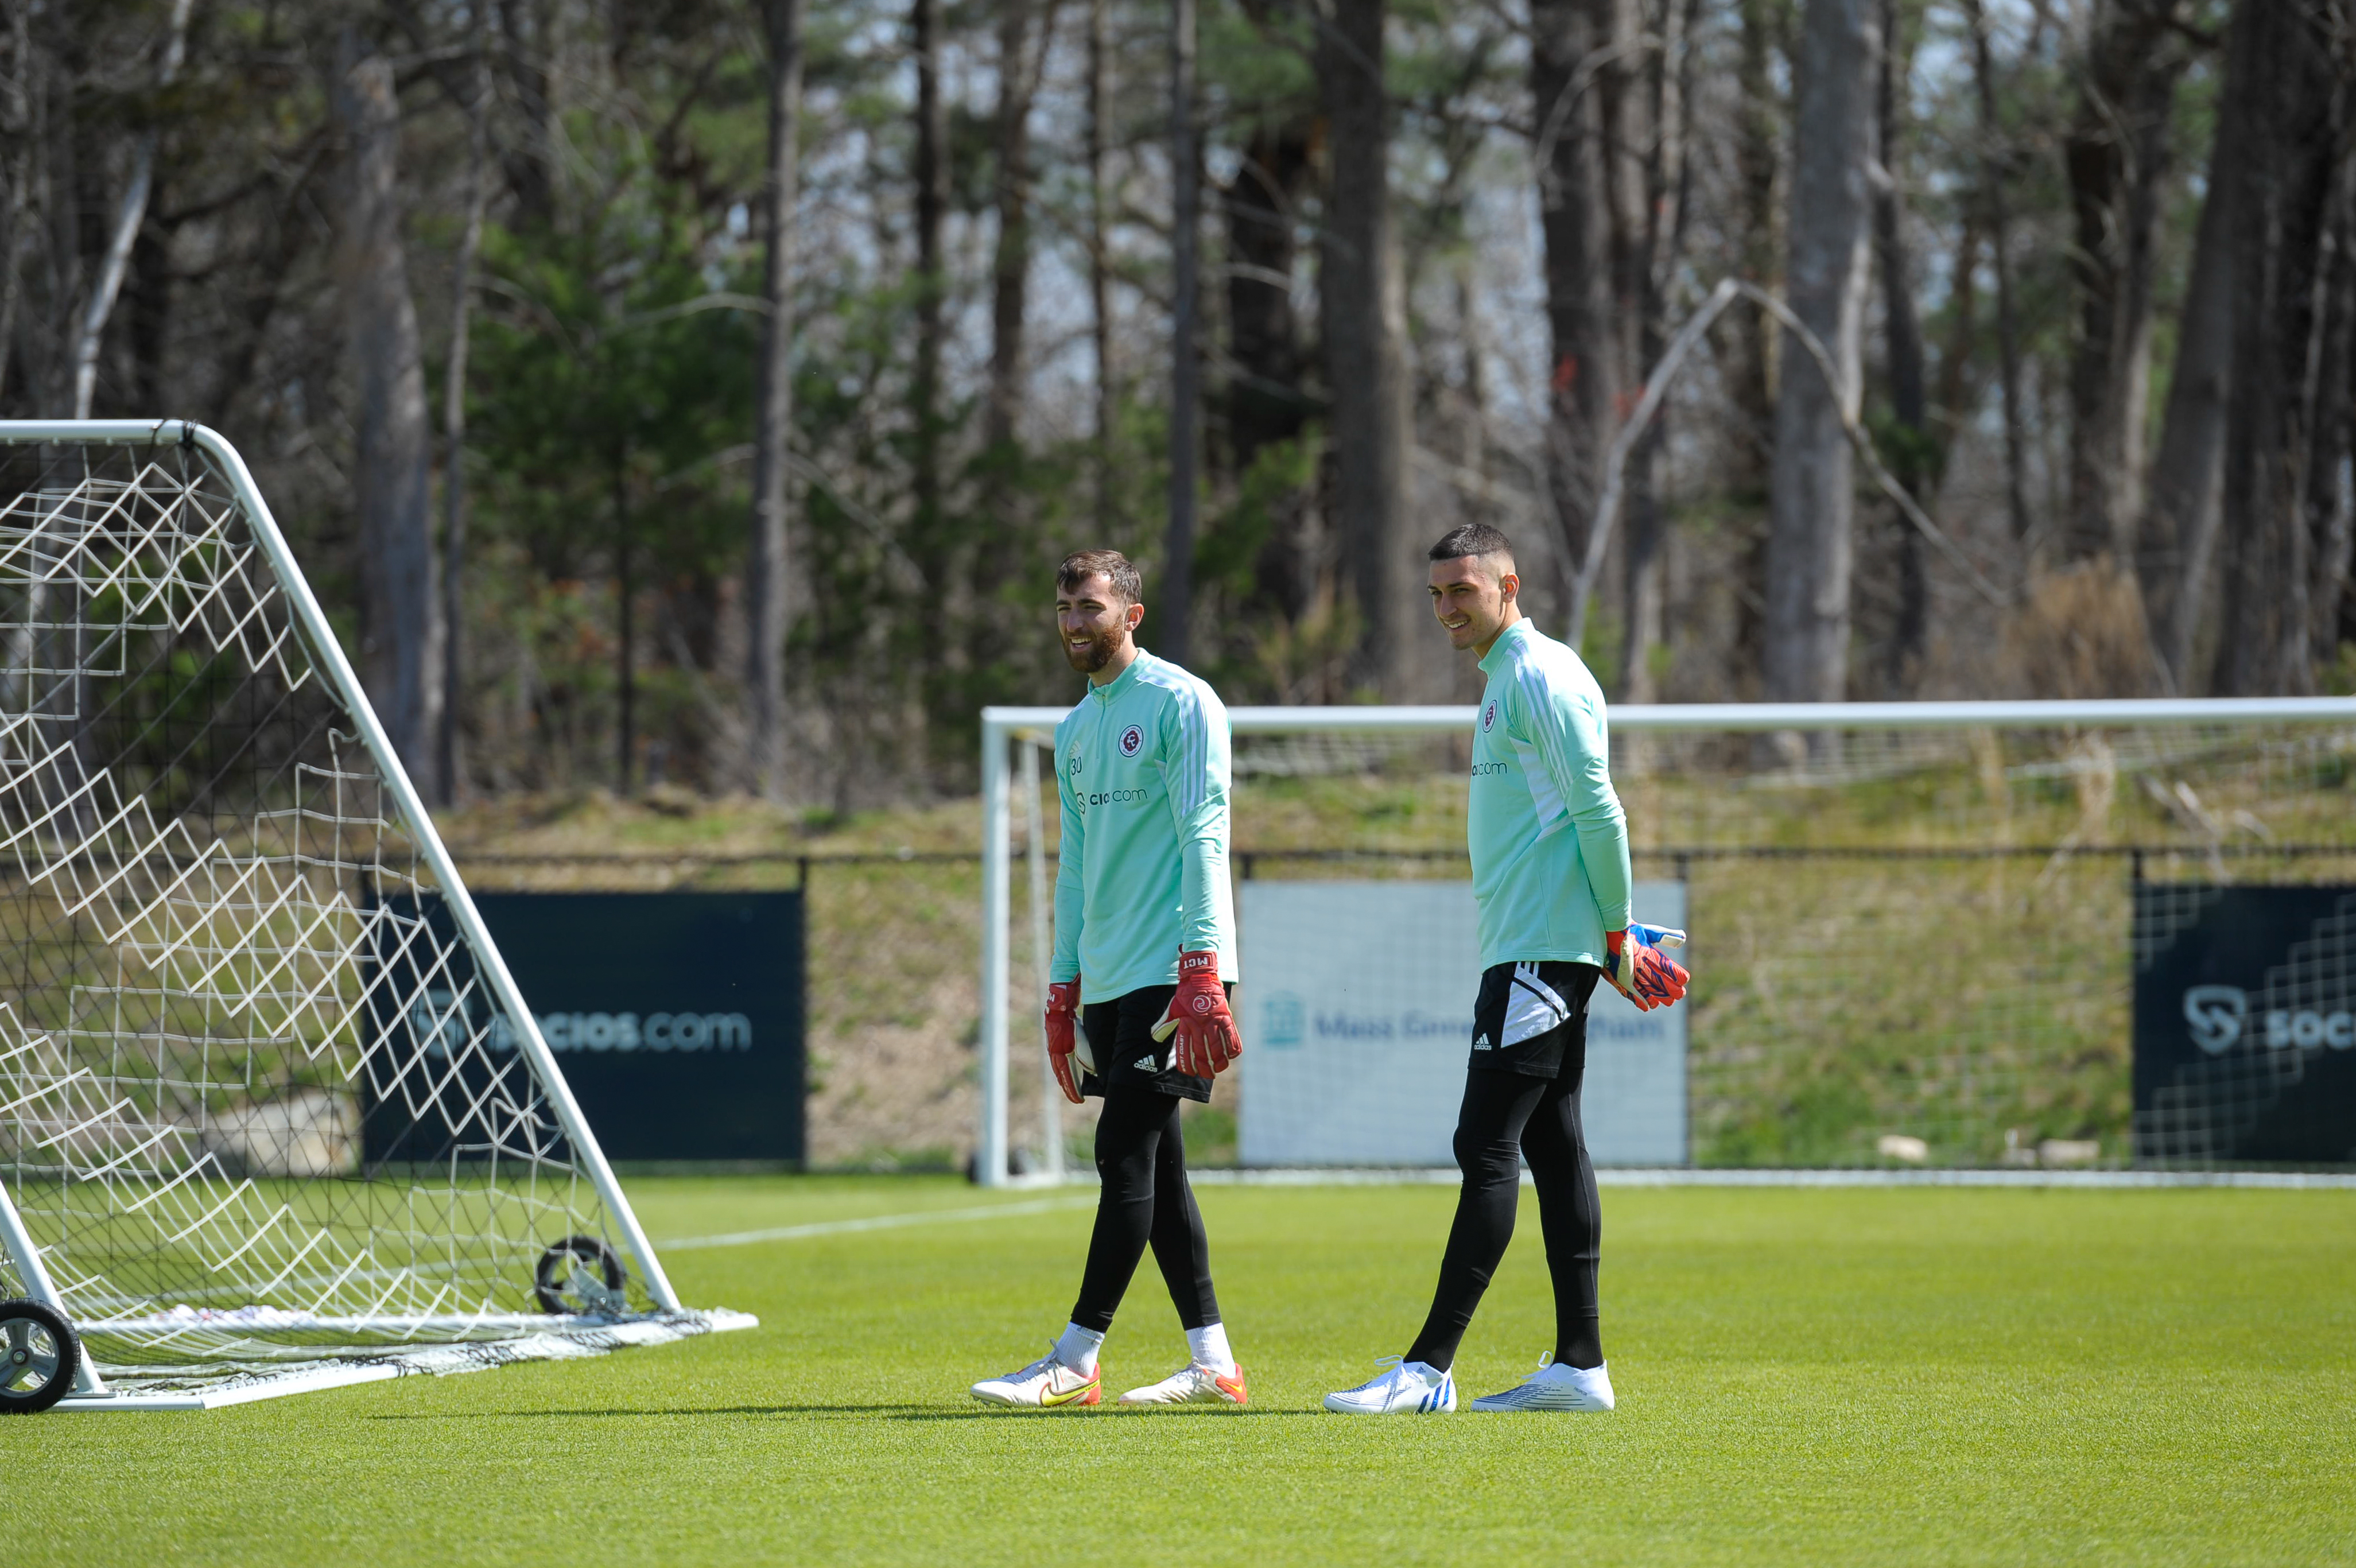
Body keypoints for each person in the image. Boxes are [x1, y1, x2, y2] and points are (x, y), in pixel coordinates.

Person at [1323, 523, 1689, 1416]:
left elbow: (1599, 812)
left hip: (1540, 952)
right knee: (1550, 1145)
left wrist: (1612, 933)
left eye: (1464, 592)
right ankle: (1579, 1366)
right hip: (1533, 947)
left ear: (1508, 586)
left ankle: (1425, 1371)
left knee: (1483, 1145)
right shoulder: (1506, 681)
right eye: (1437, 594)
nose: (1448, 608)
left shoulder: (1535, 677)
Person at [971, 549, 1247, 1410]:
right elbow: (1076, 868)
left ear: (1131, 613)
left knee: (1119, 1151)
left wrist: (1202, 968)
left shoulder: (1180, 701)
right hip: (1113, 976)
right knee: (1158, 1169)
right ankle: (1214, 1365)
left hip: (1178, 970)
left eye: (1087, 606)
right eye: (1061, 608)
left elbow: (1206, 831)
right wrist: (1061, 990)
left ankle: (1075, 1359)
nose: (1071, 623)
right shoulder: (1076, 730)